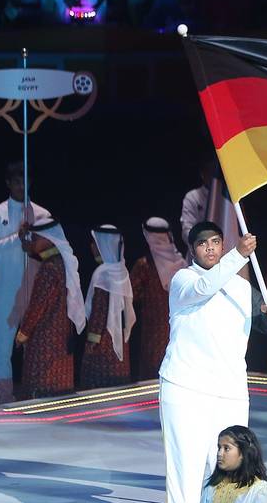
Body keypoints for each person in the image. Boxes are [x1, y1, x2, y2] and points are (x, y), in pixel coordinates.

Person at [158, 221, 267, 503]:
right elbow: (206, 287)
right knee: (187, 463)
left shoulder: (241, 288)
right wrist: (238, 255)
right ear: (192, 249)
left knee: (227, 464)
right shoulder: (184, 281)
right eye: (202, 244)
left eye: (215, 242)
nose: (209, 248)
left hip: (229, 389)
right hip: (185, 386)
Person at [0, 161, 51, 403]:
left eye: (25, 181)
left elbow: (53, 251)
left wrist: (33, 244)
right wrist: (16, 238)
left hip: (35, 289)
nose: (21, 186)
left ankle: (36, 391)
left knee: (36, 343)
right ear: (8, 183)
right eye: (16, 181)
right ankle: (6, 397)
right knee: (3, 347)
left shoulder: (41, 215)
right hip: (5, 290)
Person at [13, 218, 84, 400]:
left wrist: (23, 333)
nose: (33, 241)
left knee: (41, 390)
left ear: (48, 240)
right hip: (62, 337)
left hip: (45, 340)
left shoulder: (49, 269)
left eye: (36, 238)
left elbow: (38, 305)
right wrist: (24, 240)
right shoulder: (62, 264)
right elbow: (33, 251)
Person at [81, 225, 134, 389]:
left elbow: (99, 311)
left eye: (96, 243)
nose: (93, 247)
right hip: (120, 338)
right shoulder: (122, 270)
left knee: (99, 390)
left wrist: (91, 342)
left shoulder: (102, 273)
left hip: (102, 342)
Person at [131, 217, 183, 379]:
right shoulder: (181, 263)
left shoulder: (144, 265)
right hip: (178, 329)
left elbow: (130, 294)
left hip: (153, 332)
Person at [180, 155, 239, 254]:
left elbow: (238, 228)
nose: (213, 178)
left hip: (227, 253)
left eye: (215, 174)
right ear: (202, 174)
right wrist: (201, 242)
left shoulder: (230, 197)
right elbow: (186, 230)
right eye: (210, 172)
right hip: (201, 254)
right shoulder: (192, 197)